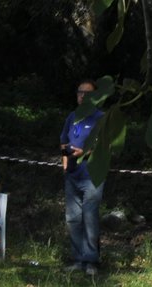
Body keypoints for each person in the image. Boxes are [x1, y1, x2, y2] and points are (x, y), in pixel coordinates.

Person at [60, 78, 103, 276]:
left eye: (87, 93)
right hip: (72, 175)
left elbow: (107, 146)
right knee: (73, 219)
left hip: (92, 175)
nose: (82, 96)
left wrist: (84, 152)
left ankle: (91, 261)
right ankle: (78, 259)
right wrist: (65, 160)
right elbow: (63, 142)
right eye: (79, 92)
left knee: (90, 217)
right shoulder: (72, 117)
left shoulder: (101, 118)